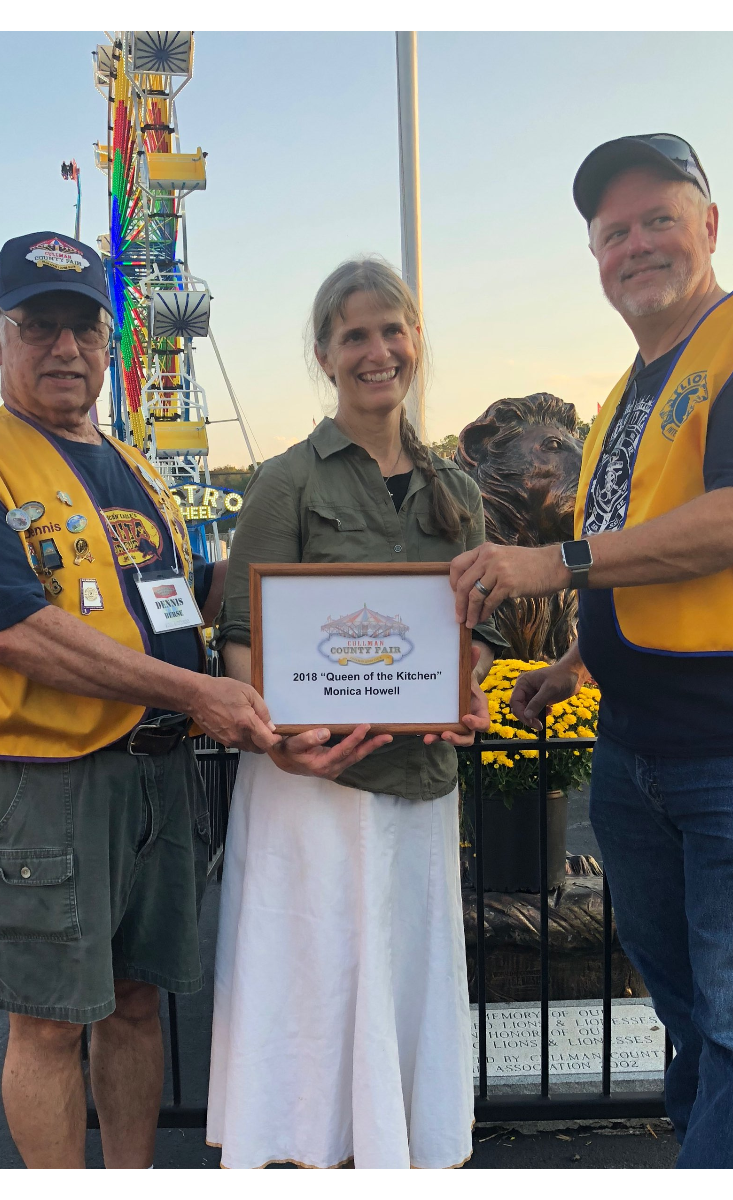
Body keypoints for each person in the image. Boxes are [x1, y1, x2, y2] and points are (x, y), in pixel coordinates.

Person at [449, 133, 733, 1169]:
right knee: (690, 1009)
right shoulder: (633, 391)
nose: (634, 246)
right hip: (645, 749)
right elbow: (654, 554)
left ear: (711, 226)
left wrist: (557, 563)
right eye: (612, 233)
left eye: (657, 220)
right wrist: (577, 664)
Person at [0, 230, 279, 1168]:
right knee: (51, 1027)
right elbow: (11, 628)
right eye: (39, 325)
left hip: (154, 777)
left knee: (139, 1003)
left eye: (84, 327)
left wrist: (307, 562)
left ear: (110, 343)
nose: (65, 348)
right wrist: (200, 691)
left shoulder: (138, 470)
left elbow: (181, 599)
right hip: (40, 787)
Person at [206, 257, 497, 1170]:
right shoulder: (287, 482)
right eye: (355, 336)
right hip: (314, 791)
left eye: (392, 330)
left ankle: (398, 1154)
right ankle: (304, 1154)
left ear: (416, 342)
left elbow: (471, 635)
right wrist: (286, 738)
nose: (378, 351)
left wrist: (467, 690)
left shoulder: (458, 489)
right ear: (325, 356)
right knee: (316, 983)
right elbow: (243, 637)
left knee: (403, 979)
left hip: (417, 787)